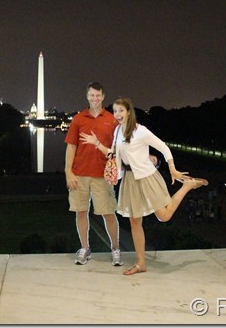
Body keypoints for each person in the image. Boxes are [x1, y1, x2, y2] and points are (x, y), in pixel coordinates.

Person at [80, 97, 208, 275]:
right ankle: (141, 263)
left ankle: (187, 186)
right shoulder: (117, 131)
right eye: (115, 111)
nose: (117, 114)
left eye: (121, 111)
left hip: (147, 177)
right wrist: (97, 144)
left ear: (129, 112)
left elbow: (163, 147)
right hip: (130, 180)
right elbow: (114, 154)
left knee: (163, 216)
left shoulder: (141, 131)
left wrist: (172, 168)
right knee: (134, 221)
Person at [64, 82, 123, 266]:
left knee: (108, 213)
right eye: (92, 95)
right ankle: (85, 248)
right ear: (87, 96)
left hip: (102, 175)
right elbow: (71, 146)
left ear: (103, 97)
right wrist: (68, 171)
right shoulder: (78, 119)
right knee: (81, 212)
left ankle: (115, 248)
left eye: (98, 96)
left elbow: (118, 148)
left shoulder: (112, 120)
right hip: (80, 174)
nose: (95, 99)